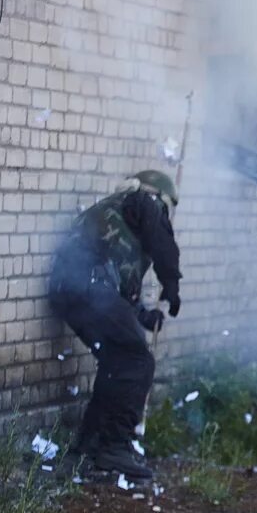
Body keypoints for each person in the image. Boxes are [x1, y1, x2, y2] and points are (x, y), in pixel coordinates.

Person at [48, 170, 183, 482]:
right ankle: (114, 447)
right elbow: (160, 239)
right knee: (138, 362)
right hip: (89, 288)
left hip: (74, 290)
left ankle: (88, 446)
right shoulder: (142, 202)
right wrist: (171, 282)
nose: (165, 217)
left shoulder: (122, 214)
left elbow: (117, 282)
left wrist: (142, 314)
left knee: (117, 362)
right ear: (157, 197)